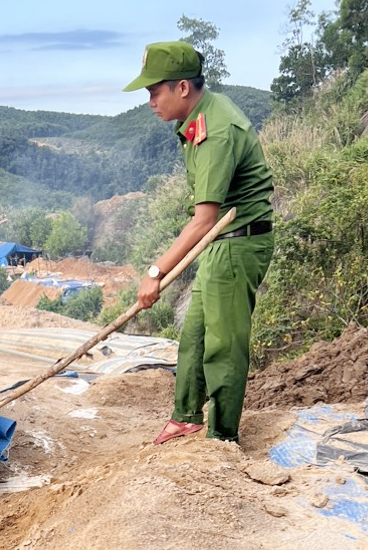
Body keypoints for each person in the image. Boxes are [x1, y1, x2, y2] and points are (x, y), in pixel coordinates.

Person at [125, 41, 274, 444]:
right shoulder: (200, 117)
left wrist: (155, 273)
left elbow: (203, 219)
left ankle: (222, 437)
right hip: (220, 242)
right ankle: (186, 416)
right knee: (195, 334)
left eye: (155, 92)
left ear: (183, 88)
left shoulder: (216, 131)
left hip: (237, 242)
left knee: (223, 345)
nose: (151, 101)